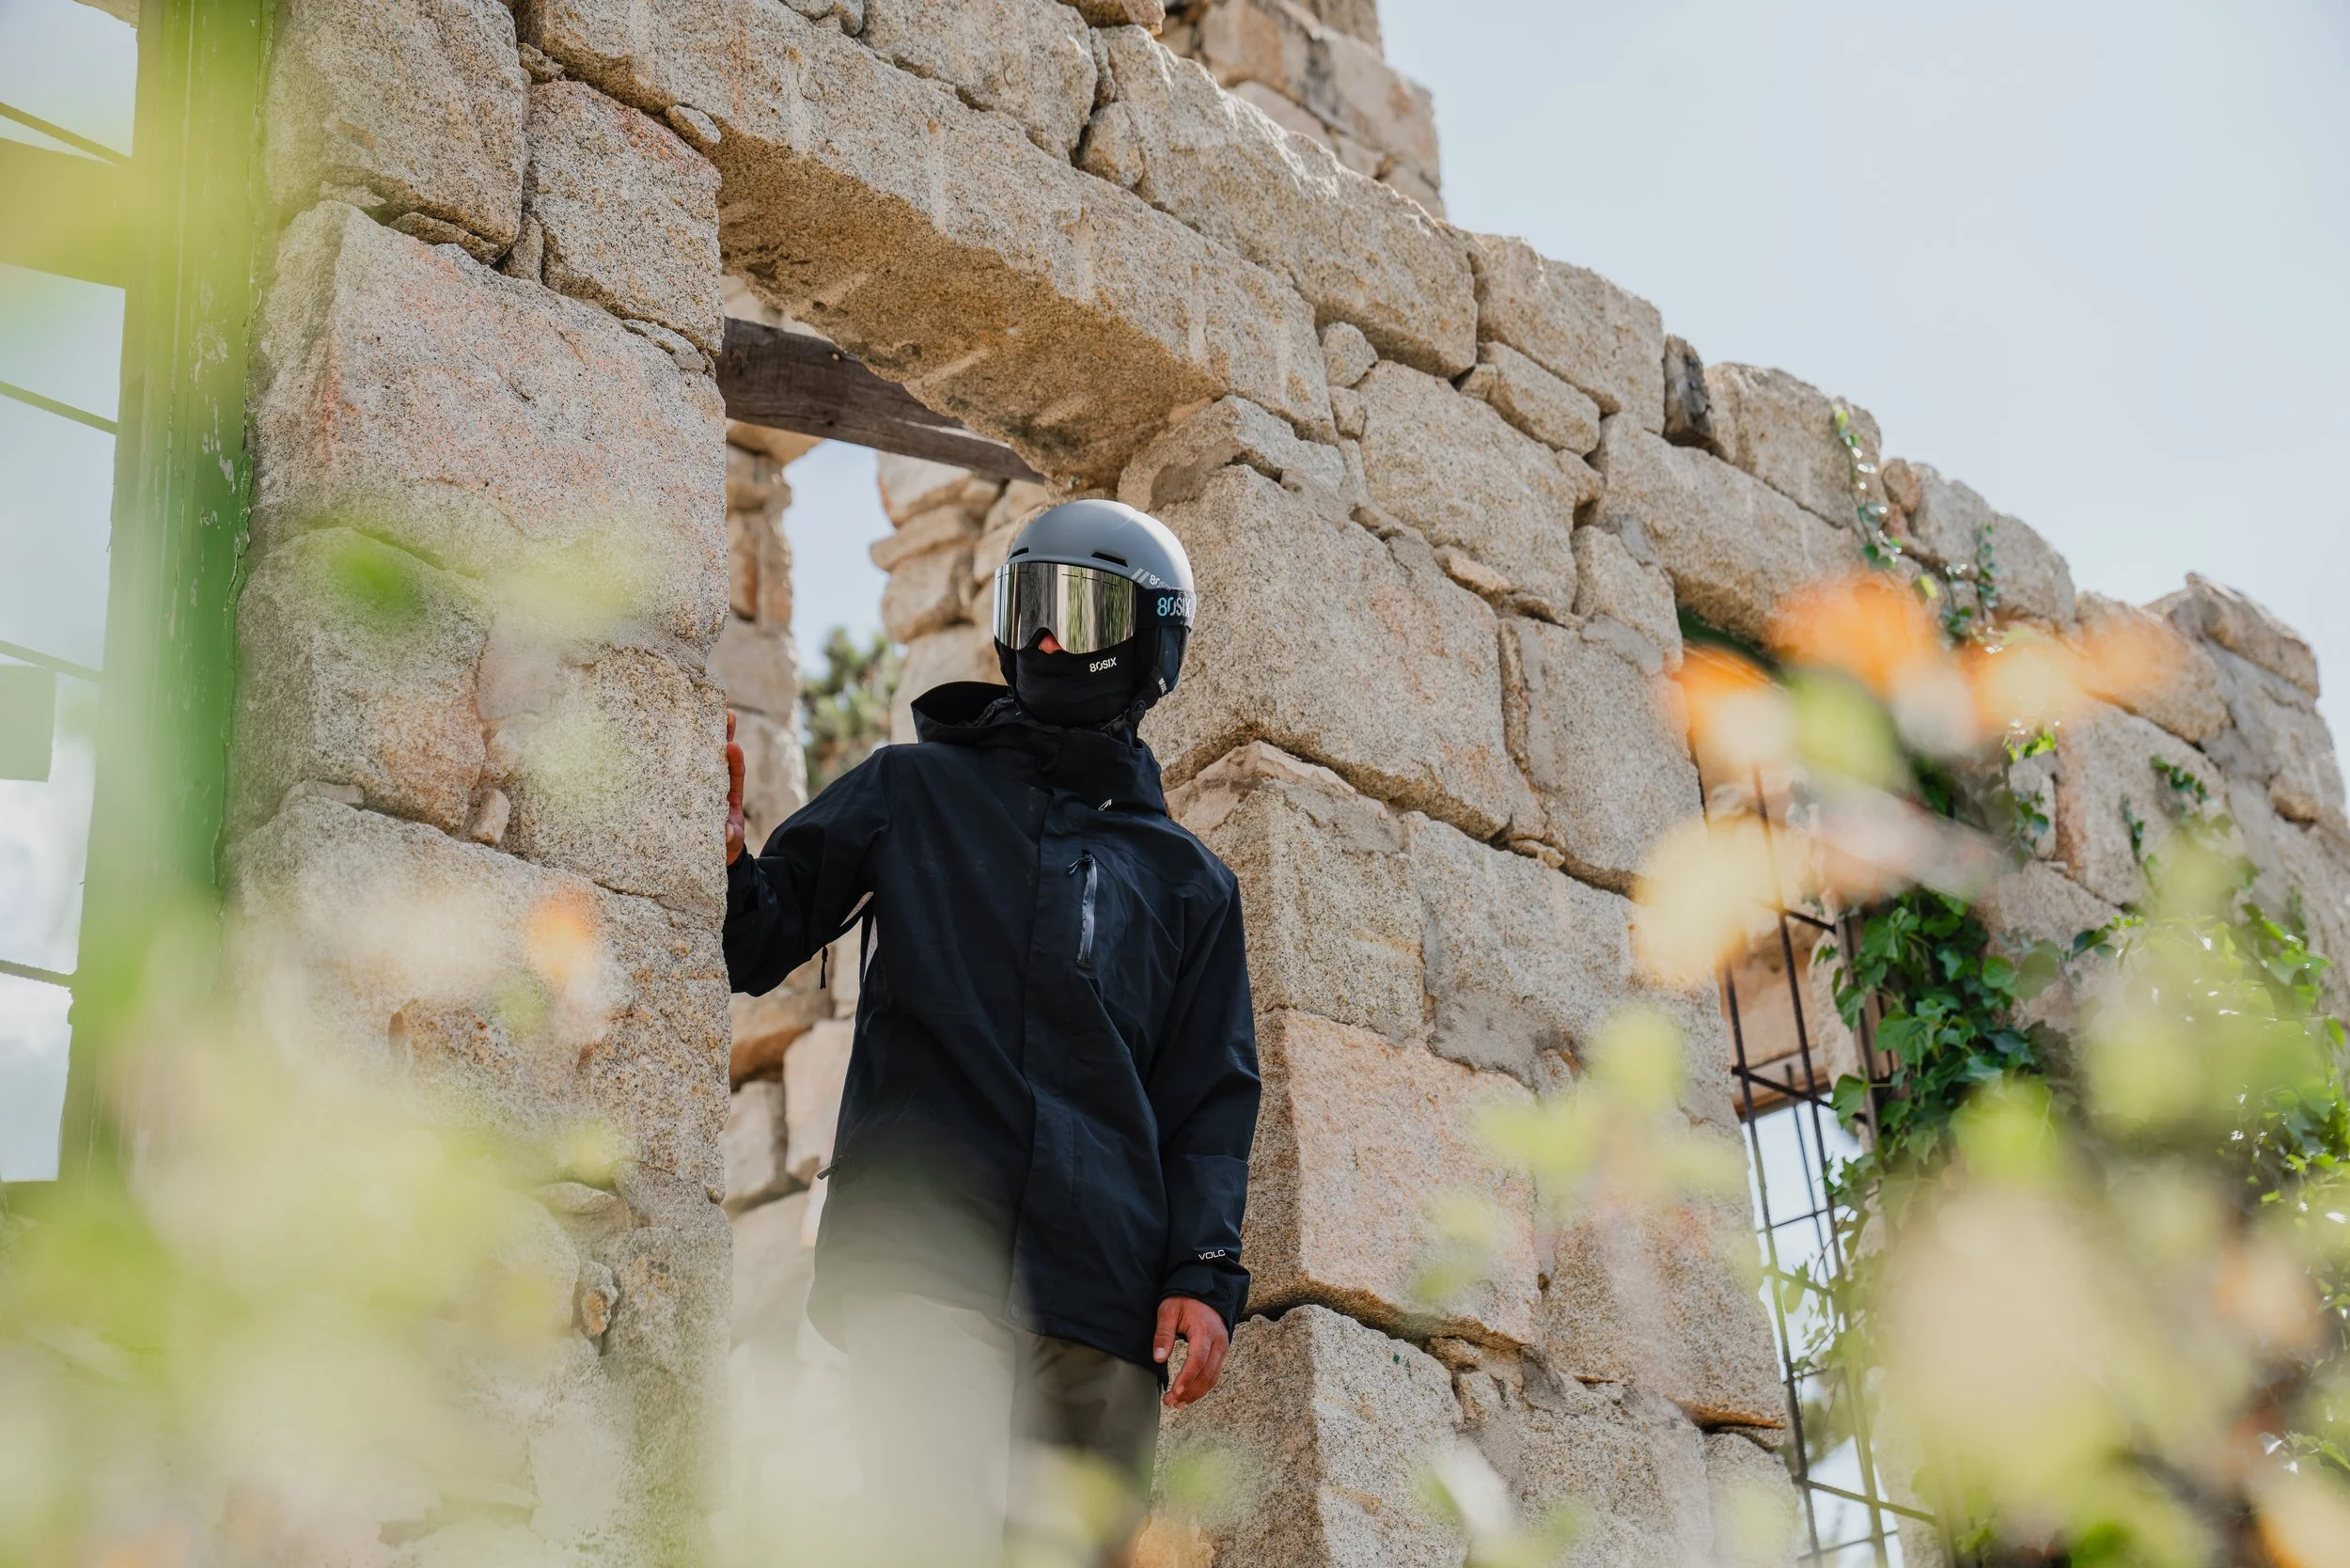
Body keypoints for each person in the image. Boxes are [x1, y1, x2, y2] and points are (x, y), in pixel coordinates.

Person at [721, 499, 1261, 1567]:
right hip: (924, 1254)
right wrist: (725, 849)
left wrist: (1203, 1275)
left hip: (1103, 1298)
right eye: (1032, 609)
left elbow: (1207, 1101)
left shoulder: (1191, 884)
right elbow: (755, 940)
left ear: (1150, 644)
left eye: (1082, 613)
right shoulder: (910, 789)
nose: (1050, 641)